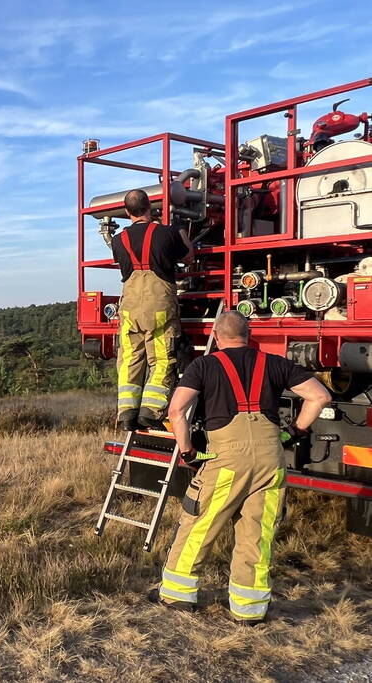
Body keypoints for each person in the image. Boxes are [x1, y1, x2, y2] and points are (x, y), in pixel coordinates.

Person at [151, 311, 331, 623]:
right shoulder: (275, 363)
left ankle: (176, 595)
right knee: (257, 533)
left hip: (227, 460)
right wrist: (295, 432)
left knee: (200, 524)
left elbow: (177, 409)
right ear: (249, 337)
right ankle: (249, 610)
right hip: (270, 460)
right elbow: (320, 396)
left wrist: (188, 450)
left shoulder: (205, 365)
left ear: (218, 338)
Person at [112, 189, 195, 431]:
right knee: (160, 359)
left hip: (129, 308)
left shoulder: (118, 240)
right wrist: (180, 230)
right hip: (159, 305)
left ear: (127, 212)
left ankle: (127, 414)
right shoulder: (167, 233)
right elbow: (189, 257)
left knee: (129, 359)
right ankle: (150, 411)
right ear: (150, 207)